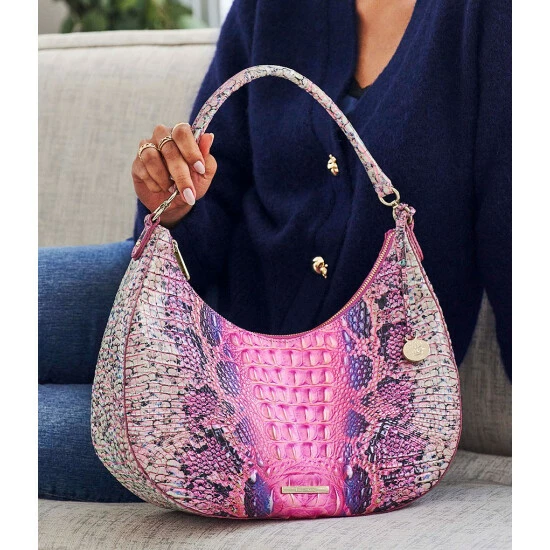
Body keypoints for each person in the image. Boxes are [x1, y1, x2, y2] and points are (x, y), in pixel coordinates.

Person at [38, 0, 511, 502]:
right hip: (186, 306)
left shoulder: (491, 18)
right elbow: (210, 199)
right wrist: (173, 202)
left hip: (312, 423)